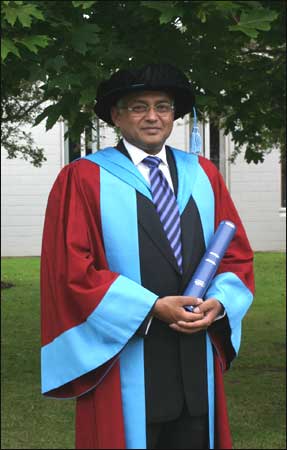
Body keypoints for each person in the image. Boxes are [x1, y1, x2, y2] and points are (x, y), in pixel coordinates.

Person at [40, 63, 255, 449]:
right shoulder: (84, 178)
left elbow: (235, 257)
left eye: (163, 106)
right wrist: (151, 306)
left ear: (175, 115)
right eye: (139, 106)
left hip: (195, 362)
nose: (153, 116)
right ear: (117, 116)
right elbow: (70, 271)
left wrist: (220, 304)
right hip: (124, 360)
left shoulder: (204, 174)